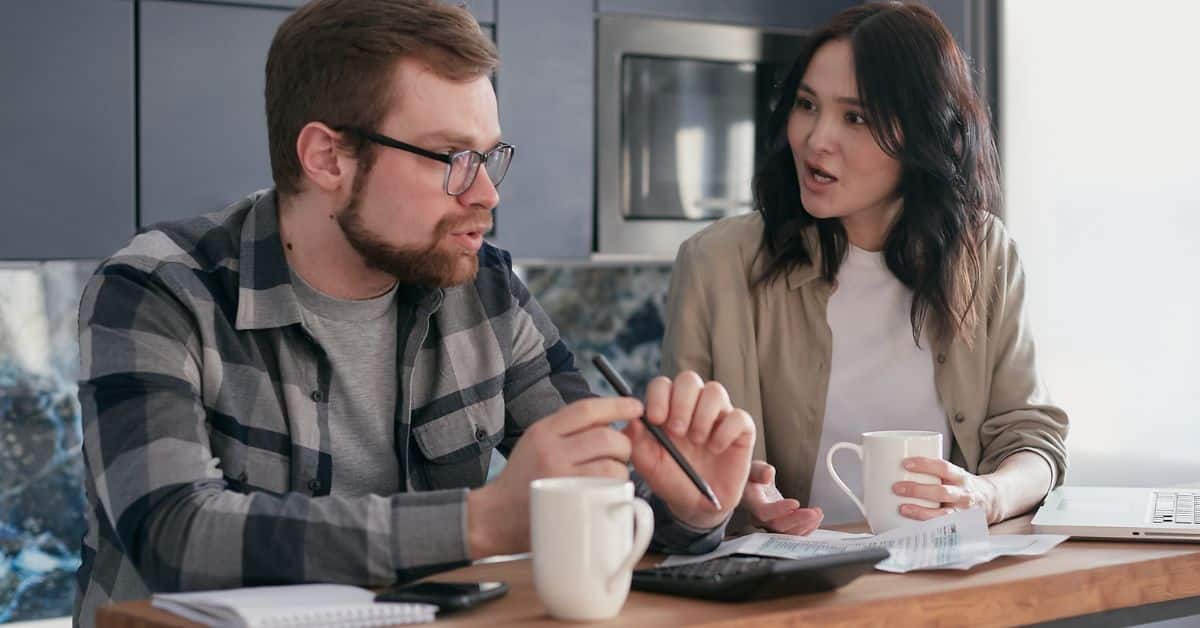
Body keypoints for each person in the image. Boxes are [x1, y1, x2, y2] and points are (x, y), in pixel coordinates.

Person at [74, 1, 755, 624]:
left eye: (489, 157)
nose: (486, 192)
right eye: (453, 157)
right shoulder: (156, 290)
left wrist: (687, 506)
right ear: (327, 157)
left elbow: (592, 501)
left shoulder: (487, 292)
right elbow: (175, 534)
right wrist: (481, 521)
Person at [661, 1, 1067, 535]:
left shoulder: (985, 251)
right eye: (807, 104)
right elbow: (672, 487)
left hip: (947, 577)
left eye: (856, 117)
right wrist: (721, 504)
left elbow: (1033, 439)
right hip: (793, 596)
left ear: (923, 133)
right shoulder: (716, 264)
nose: (814, 138)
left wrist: (987, 494)